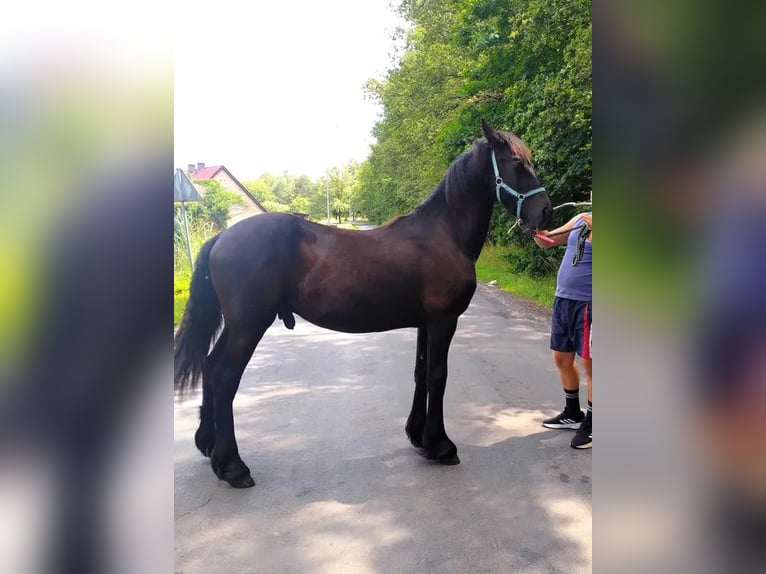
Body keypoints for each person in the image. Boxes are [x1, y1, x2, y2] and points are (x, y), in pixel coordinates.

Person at [534, 210, 592, 449]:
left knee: (592, 365)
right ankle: (572, 412)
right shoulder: (581, 218)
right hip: (563, 300)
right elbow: (548, 241)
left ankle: (593, 424)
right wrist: (537, 229)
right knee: (561, 358)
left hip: (590, 304)